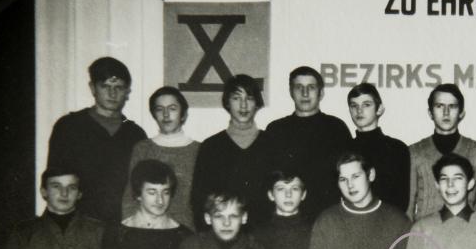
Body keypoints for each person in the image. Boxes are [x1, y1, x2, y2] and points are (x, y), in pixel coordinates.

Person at [47, 57, 146, 222]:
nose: (112, 93)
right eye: (105, 86)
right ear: (93, 88)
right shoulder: (69, 126)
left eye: (119, 87)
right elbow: (54, 181)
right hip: (78, 224)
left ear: (127, 91)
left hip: (121, 226)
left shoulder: (135, 134)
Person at [264, 66, 351, 217]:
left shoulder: (336, 128)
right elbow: (268, 179)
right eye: (299, 87)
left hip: (328, 217)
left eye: (311, 87)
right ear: (291, 92)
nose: (305, 93)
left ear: (321, 93)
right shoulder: (275, 130)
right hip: (288, 218)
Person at [190, 74, 271, 228]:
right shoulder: (211, 146)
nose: (243, 105)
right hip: (222, 235)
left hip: (264, 237)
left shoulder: (271, 144)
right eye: (236, 98)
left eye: (249, 98)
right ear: (227, 102)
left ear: (257, 104)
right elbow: (199, 200)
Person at [407, 84, 476, 220]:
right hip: (426, 234)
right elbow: (408, 206)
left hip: (466, 233)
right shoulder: (414, 152)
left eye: (452, 106)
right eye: (439, 106)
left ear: (461, 113)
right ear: (430, 112)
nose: (446, 112)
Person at [121, 86, 200, 230]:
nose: (165, 115)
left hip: (186, 231)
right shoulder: (142, 148)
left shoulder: (199, 150)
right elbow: (130, 196)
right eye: (159, 109)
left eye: (172, 108)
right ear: (153, 114)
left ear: (183, 114)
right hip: (145, 229)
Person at [346, 83, 410, 212]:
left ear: (379, 109)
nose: (359, 111)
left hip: (386, 225)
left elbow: (402, 200)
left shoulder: (397, 149)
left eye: (366, 105)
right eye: (354, 105)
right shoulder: (343, 148)